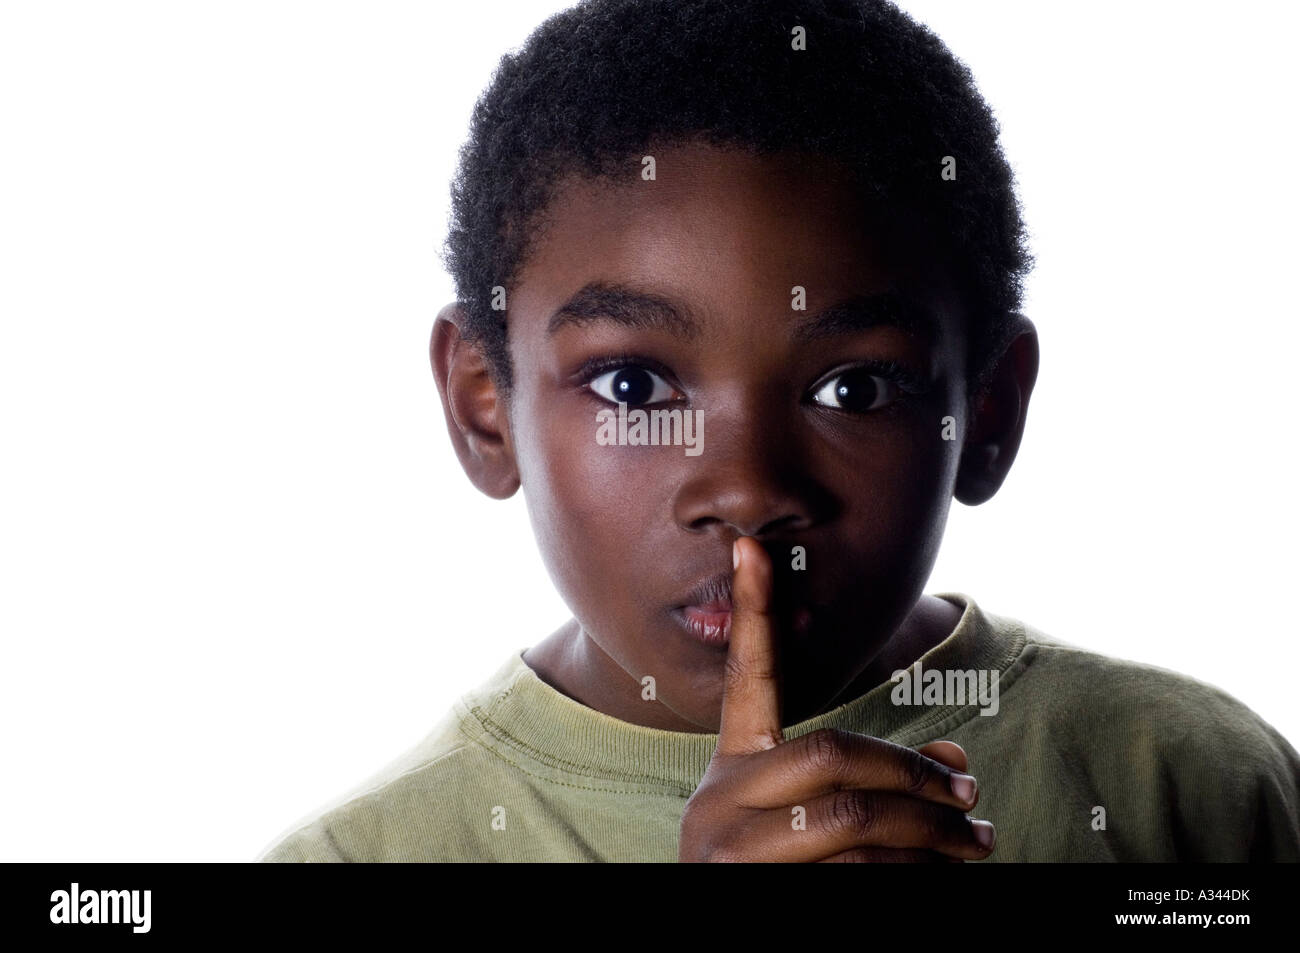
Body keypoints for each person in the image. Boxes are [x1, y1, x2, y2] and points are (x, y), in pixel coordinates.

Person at [258, 0, 1300, 862]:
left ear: (985, 412)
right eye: (632, 384)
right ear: (485, 405)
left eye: (854, 388)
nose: (749, 488)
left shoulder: (1191, 786)